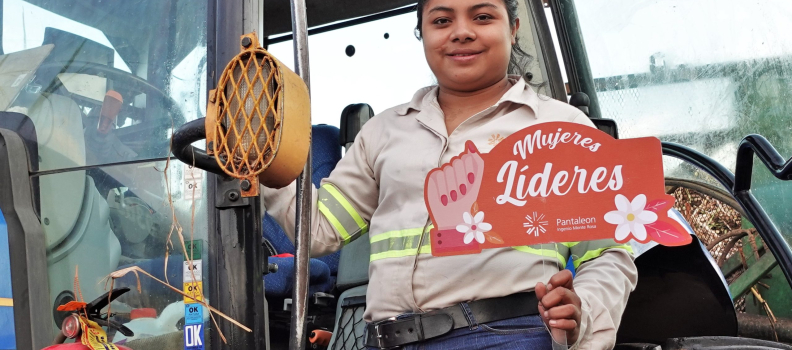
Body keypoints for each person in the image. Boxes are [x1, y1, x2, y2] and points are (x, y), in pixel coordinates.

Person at [262, 0, 637, 348]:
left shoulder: (561, 128)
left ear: (514, 27)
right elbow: (318, 229)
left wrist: (582, 308)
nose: (461, 31)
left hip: (507, 335)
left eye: (483, 17)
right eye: (442, 20)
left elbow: (608, 255)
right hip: (385, 338)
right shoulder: (383, 131)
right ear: (422, 33)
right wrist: (262, 153)